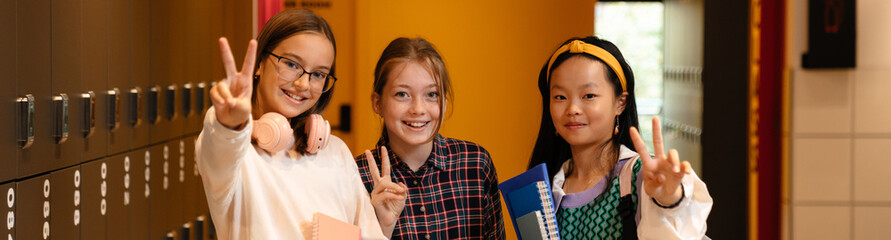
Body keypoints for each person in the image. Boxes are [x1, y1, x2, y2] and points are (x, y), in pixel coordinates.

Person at [195, 9, 385, 240]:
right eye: (292, 65)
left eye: (318, 74)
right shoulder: (237, 152)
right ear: (260, 64)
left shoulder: (335, 151)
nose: (303, 83)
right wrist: (231, 123)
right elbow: (222, 144)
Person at [527, 36, 713, 239]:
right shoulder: (544, 187)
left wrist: (669, 200)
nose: (572, 109)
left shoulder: (641, 177)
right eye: (560, 97)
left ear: (620, 103)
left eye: (588, 95)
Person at [354, 37, 505, 239]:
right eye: (402, 94)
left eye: (432, 94)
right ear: (377, 102)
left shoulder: (476, 164)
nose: (418, 109)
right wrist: (382, 229)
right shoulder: (354, 176)